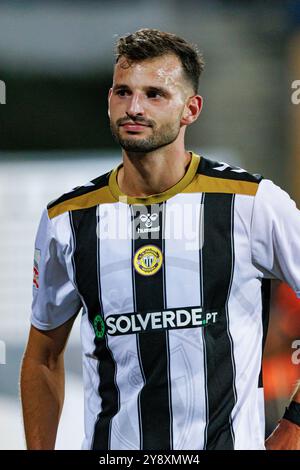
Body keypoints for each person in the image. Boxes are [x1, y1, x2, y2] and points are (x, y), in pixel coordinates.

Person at [20, 28, 300, 451]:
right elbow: (43, 355)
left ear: (191, 109)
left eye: (154, 94)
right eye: (122, 92)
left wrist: (293, 428)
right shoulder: (68, 220)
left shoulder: (252, 204)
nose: (134, 108)